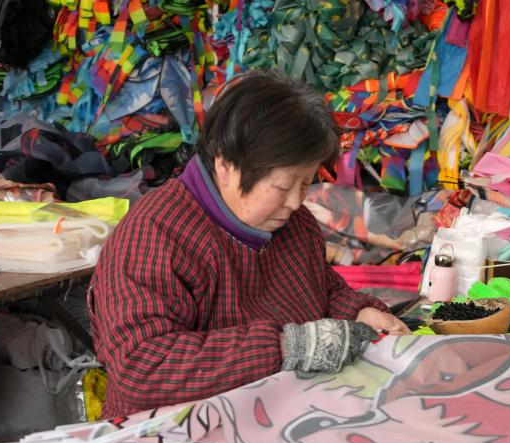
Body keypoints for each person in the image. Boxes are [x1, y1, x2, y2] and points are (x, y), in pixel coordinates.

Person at [89, 70, 409, 418]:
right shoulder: (154, 235)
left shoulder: (294, 222)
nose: (295, 201)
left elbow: (322, 289)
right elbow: (141, 366)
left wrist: (358, 312)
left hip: (276, 412)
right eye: (283, 186)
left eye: (306, 184)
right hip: (173, 430)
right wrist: (286, 347)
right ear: (226, 166)